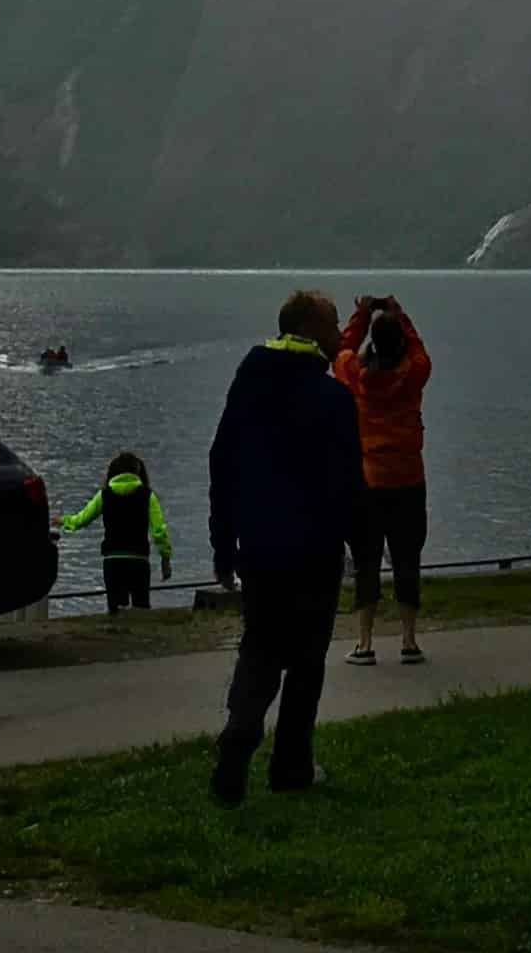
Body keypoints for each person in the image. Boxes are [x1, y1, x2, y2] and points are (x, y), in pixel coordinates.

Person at [205, 288, 364, 804]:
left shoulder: (248, 383)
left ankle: (238, 741)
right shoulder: (333, 399)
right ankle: (291, 765)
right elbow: (348, 485)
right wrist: (362, 550)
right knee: (306, 660)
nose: (342, 333)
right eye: (335, 323)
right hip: (314, 549)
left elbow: (221, 461)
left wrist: (222, 542)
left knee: (260, 647)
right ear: (315, 332)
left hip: (258, 544)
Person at [337, 293, 435, 666]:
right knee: (408, 558)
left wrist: (361, 314)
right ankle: (409, 640)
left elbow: (342, 349)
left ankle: (364, 643)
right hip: (408, 479)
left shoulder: (355, 379)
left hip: (367, 481)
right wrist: (400, 315)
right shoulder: (413, 376)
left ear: (372, 343)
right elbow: (420, 353)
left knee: (366, 561)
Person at [62, 449, 176, 611]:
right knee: (141, 609)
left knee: (115, 611)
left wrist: (64, 521)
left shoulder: (104, 495)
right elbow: (159, 531)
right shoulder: (147, 496)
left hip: (113, 561)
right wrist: (165, 559)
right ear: (139, 472)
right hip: (139, 561)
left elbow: (82, 519)